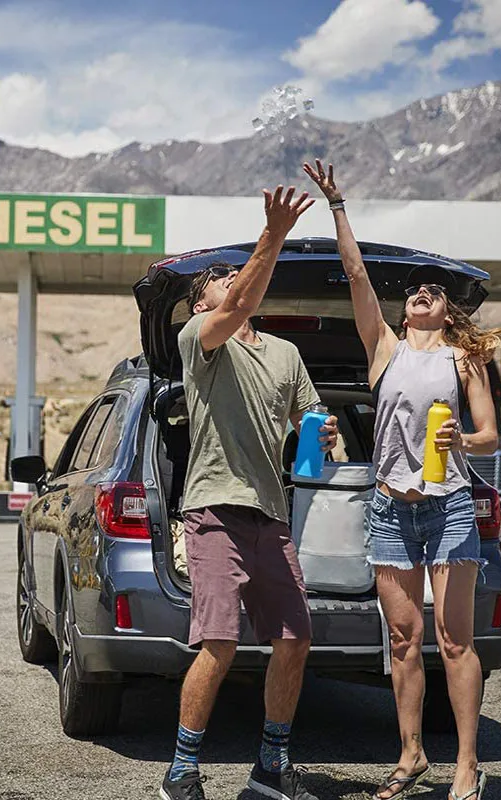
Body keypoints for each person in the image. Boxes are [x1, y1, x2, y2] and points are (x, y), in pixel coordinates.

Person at [304, 160, 501, 800]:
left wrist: (461, 442)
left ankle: (467, 764)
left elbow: (491, 436)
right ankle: (411, 754)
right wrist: (337, 206)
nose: (422, 292)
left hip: (448, 505)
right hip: (390, 509)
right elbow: (356, 274)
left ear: (447, 312)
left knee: (454, 641)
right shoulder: (384, 350)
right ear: (405, 313)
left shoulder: (464, 358)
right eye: (415, 291)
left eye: (434, 291)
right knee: (403, 639)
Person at [161, 184, 339, 800]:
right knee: (219, 642)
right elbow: (238, 304)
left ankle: (271, 764)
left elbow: (309, 419)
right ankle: (181, 769)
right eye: (219, 279)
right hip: (214, 510)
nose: (230, 281)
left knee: (295, 640)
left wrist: (324, 432)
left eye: (231, 274)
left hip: (271, 515)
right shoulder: (199, 340)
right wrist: (274, 234)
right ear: (200, 303)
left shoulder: (287, 354)